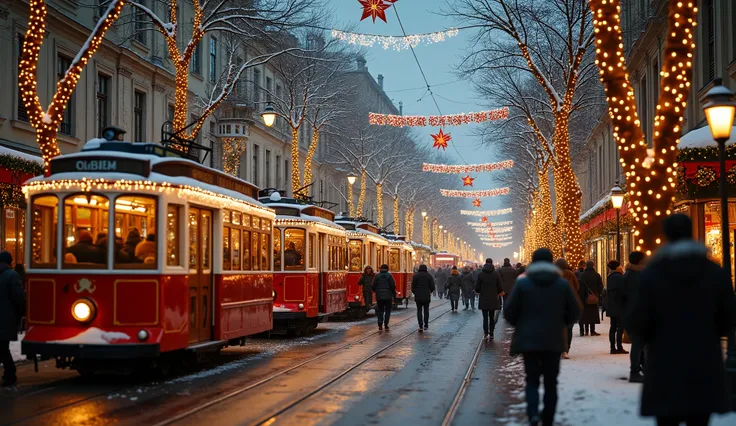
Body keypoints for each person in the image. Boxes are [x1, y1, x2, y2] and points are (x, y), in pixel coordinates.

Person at [630, 214, 736, 426]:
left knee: (667, 418)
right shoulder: (715, 273)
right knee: (699, 418)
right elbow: (728, 319)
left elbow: (637, 321)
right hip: (703, 362)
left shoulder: (653, 274)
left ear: (667, 235)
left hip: (664, 363)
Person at [504, 248, 581, 426]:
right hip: (553, 339)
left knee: (531, 379)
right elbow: (575, 310)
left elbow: (509, 312)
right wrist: (562, 323)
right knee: (550, 382)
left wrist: (522, 324)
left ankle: (533, 415)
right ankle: (548, 418)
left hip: (528, 340)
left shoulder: (523, 284)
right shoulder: (561, 284)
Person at [0, 251, 25, 386]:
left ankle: (9, 373)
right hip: (6, 318)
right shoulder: (12, 275)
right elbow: (18, 298)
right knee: (3, 347)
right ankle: (9, 374)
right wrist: (20, 314)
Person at [623, 251, 646, 383]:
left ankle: (640, 368)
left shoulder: (626, 275)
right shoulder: (643, 276)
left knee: (639, 343)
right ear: (640, 261)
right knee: (639, 344)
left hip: (630, 314)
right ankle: (635, 371)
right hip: (640, 314)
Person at [555, 258, 582, 359]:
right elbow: (577, 286)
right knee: (569, 327)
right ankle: (566, 350)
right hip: (568, 303)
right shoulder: (570, 274)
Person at [476, 258, 504, 340]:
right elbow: (500, 287)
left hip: (484, 299)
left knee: (485, 317)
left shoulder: (481, 274)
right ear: (492, 264)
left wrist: (479, 291)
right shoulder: (496, 274)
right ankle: (491, 333)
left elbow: (477, 288)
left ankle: (485, 333)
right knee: (492, 317)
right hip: (493, 299)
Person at [605, 260, 628, 355]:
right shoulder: (620, 277)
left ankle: (612, 348)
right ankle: (619, 346)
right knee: (620, 327)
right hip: (620, 305)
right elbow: (623, 292)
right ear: (617, 267)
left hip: (611, 305)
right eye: (620, 265)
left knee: (613, 327)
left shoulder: (609, 277)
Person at [578, 261, 602, 336]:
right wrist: (598, 294)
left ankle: (582, 331)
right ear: (593, 266)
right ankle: (592, 330)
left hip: (583, 297)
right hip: (593, 297)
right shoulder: (597, 275)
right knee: (592, 313)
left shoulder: (581, 275)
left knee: (583, 314)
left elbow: (579, 286)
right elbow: (600, 286)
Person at [411, 264, 435, 332]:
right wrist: (429, 291)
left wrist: (415, 292)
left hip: (418, 296)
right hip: (426, 296)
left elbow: (413, 286)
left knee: (419, 310)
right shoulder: (429, 276)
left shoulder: (415, 276)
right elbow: (432, 286)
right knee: (426, 310)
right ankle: (426, 325)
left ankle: (420, 325)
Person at [372, 264, 396, 331]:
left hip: (379, 296)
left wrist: (376, 291)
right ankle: (386, 324)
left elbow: (373, 285)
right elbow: (393, 285)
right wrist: (393, 292)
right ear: (387, 268)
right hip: (388, 296)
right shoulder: (389, 275)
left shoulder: (377, 275)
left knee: (380, 310)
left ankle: (380, 324)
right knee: (388, 310)